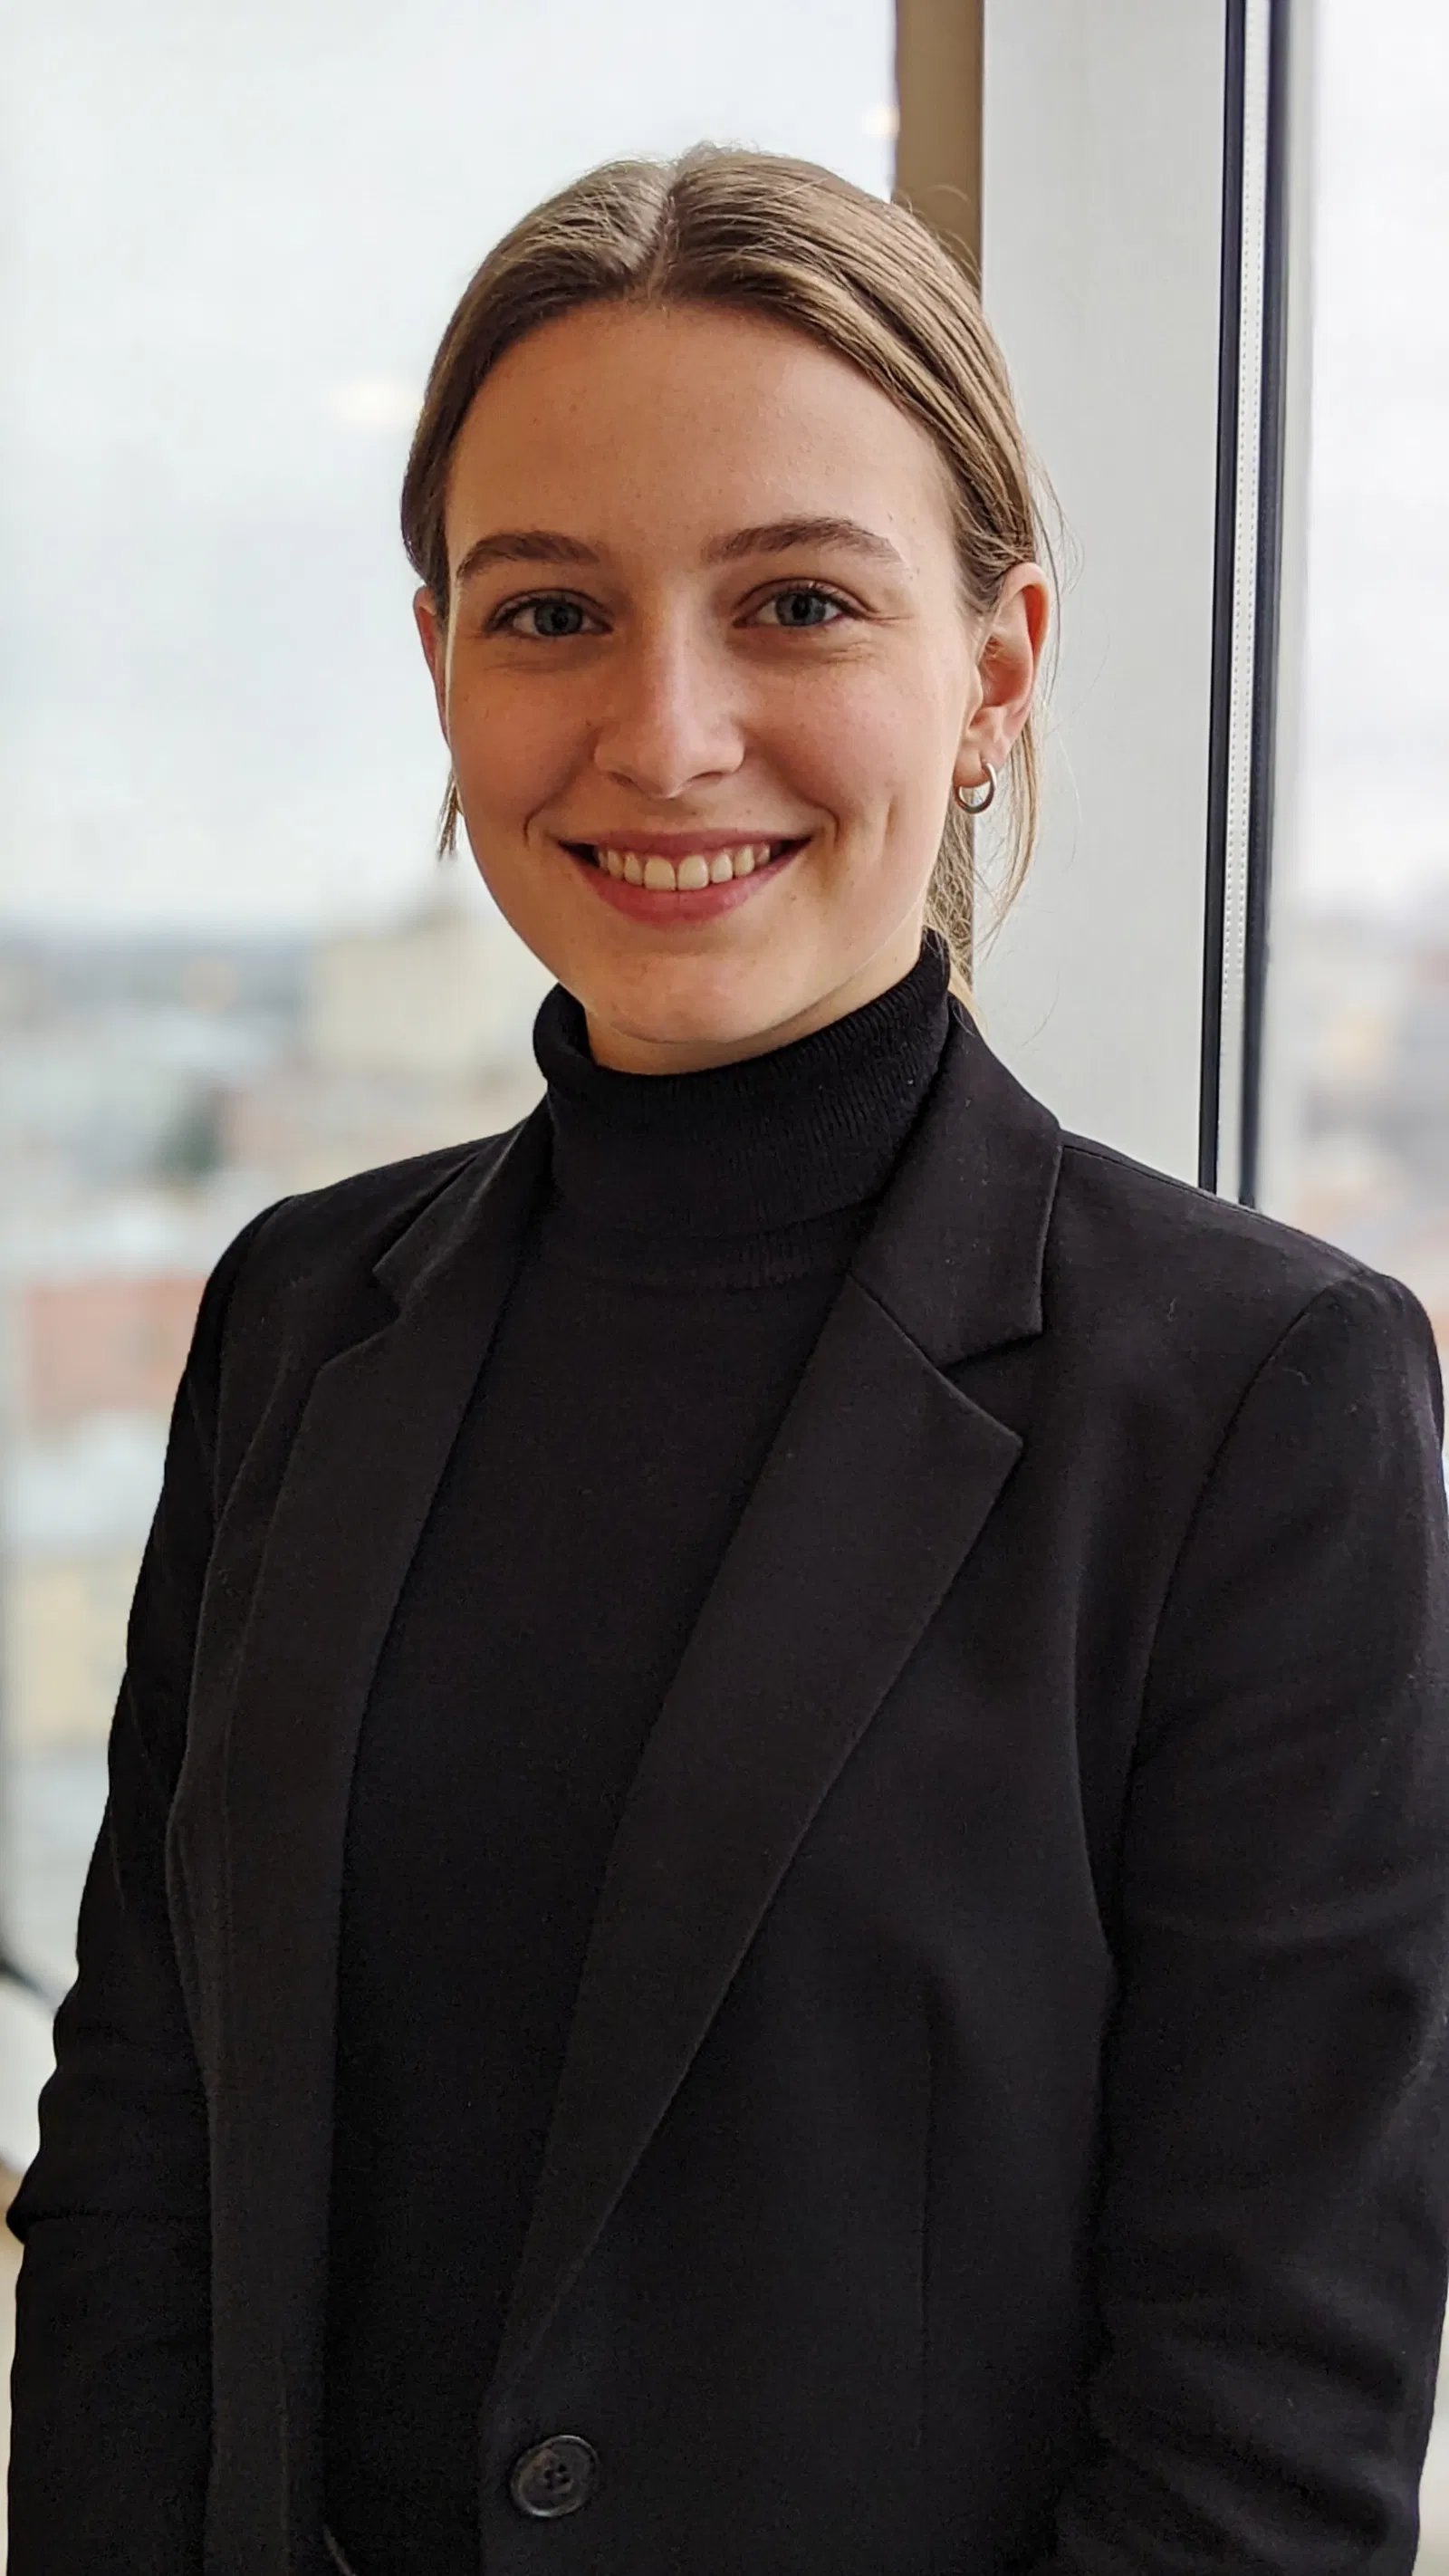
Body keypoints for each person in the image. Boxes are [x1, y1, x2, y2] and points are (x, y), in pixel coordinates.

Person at [8, 143, 1449, 2576]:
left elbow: (1264, 2425)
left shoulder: (1260, 1403)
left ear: (994, 667)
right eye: (550, 611)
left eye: (797, 603)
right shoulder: (298, 1315)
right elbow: (147, 2184)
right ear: (444, 666)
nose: (665, 735)